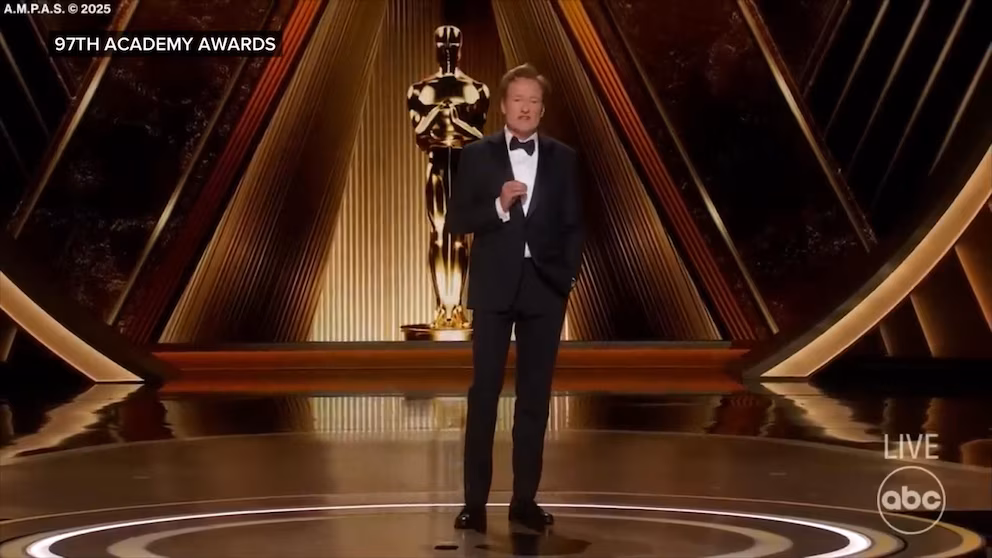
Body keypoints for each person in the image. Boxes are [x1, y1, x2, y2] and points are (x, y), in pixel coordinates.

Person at [444, 63, 584, 534]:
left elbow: (574, 224)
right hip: (493, 286)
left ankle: (525, 500)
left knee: (534, 397)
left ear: (542, 109)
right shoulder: (476, 155)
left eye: (533, 101)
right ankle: (474, 504)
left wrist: (566, 278)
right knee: (484, 394)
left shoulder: (563, 157)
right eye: (518, 99)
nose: (525, 108)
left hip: (545, 288)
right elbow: (457, 220)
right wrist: (499, 206)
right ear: (503, 105)